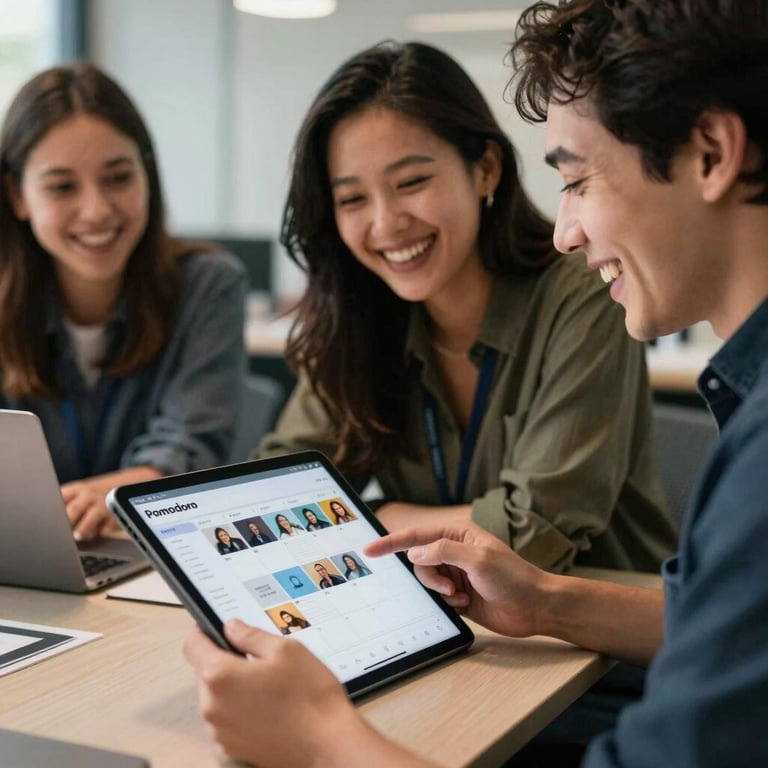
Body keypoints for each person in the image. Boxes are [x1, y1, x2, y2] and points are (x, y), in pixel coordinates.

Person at [183, 3, 768, 767]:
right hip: (482, 654)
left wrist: (324, 743)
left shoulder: (746, 439)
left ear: (711, 152)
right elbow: (279, 485)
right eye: (352, 197)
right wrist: (547, 601)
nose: (567, 231)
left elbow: (532, 522)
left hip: (582, 691)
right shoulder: (367, 320)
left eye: (579, 178)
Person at [256, 40, 675, 574]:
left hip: (603, 640)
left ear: (486, 170)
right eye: (352, 199)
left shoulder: (584, 289)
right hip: (448, 616)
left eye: (411, 183)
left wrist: (373, 513)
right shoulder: (362, 317)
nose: (385, 225)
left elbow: (531, 533)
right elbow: (274, 497)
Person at [0, 63, 247, 541]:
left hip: (159, 550)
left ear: (147, 175)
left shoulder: (207, 286)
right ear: (17, 196)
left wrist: (112, 495)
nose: (96, 210)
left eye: (117, 177)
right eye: (62, 187)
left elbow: (191, 445)